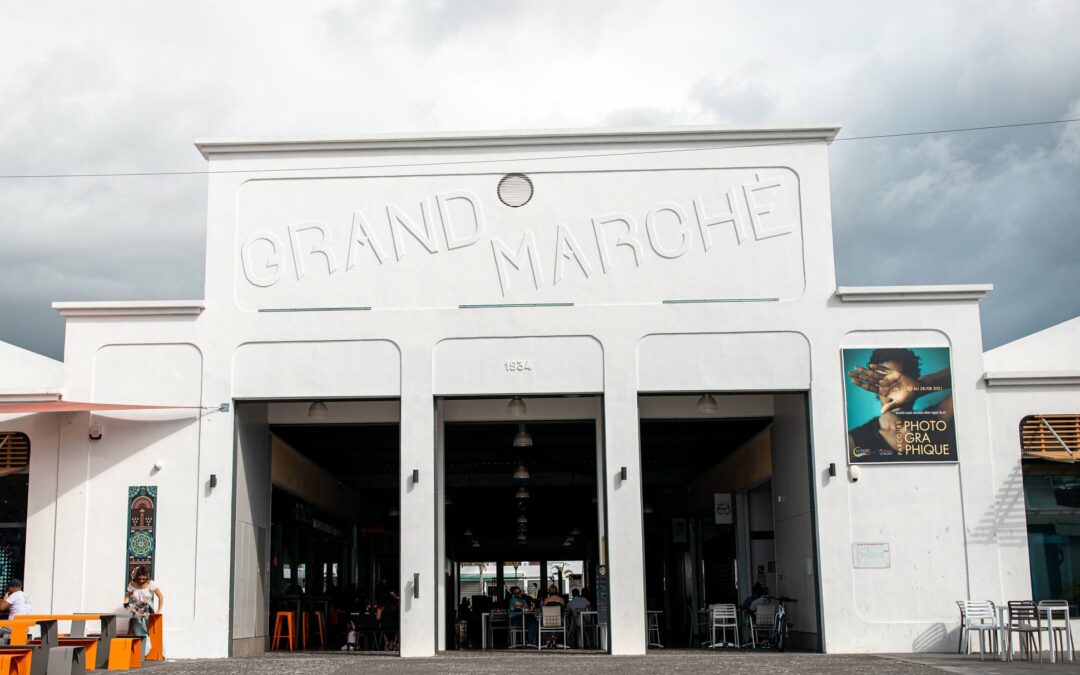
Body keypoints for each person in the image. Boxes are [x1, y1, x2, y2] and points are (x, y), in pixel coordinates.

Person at [846, 348, 955, 461]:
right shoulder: (855, 441)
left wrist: (923, 385)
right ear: (875, 388)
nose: (895, 392)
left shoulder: (937, 420)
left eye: (899, 383)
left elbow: (966, 374)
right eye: (886, 382)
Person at [124, 566, 164, 657]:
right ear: (136, 577)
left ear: (147, 577)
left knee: (151, 630)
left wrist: (159, 609)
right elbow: (127, 596)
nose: (141, 580)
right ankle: (143, 651)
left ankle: (154, 651)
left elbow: (160, 596)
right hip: (136, 608)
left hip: (148, 608)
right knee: (138, 630)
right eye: (140, 578)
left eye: (143, 578)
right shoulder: (132, 584)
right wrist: (126, 605)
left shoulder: (151, 583)